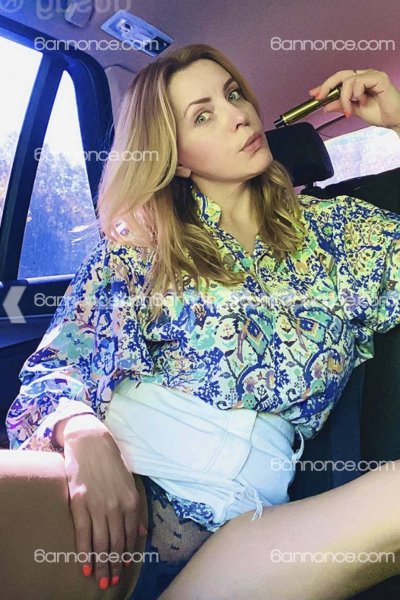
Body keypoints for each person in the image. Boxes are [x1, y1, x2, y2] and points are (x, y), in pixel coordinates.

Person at [2, 43, 400, 600]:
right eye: (203, 115)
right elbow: (56, 368)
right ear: (178, 157)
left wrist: (398, 121)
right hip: (108, 494)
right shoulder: (139, 248)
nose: (238, 115)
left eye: (234, 94)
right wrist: (81, 430)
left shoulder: (345, 233)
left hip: (248, 534)